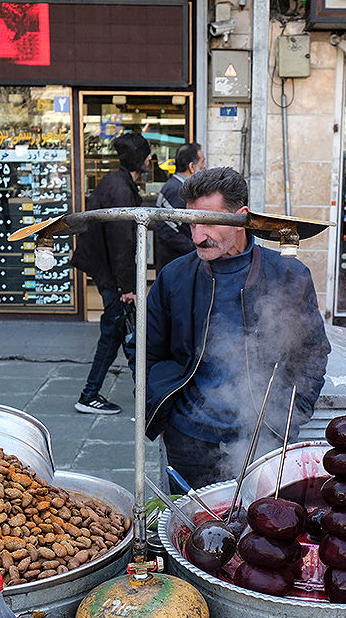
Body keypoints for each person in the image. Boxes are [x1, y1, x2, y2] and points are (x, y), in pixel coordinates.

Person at [141, 167, 331, 489]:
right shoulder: (174, 277)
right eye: (192, 222)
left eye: (209, 222)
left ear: (242, 217)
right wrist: (161, 407)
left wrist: (287, 418)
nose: (198, 235)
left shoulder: (288, 275)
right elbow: (144, 348)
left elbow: (312, 353)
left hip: (263, 437)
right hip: (188, 440)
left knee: (265, 529)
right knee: (195, 530)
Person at [70, 132, 151, 415]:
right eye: (148, 154)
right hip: (113, 276)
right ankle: (92, 395)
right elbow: (121, 242)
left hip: (107, 272)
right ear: (140, 159)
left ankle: (101, 393)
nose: (151, 159)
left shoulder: (115, 183)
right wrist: (127, 286)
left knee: (117, 332)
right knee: (119, 332)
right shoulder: (119, 188)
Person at [153, 142, 205, 271]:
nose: (205, 166)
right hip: (175, 263)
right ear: (192, 167)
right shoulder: (177, 189)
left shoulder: (177, 186)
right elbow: (167, 231)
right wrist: (195, 249)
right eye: (202, 162)